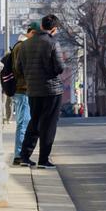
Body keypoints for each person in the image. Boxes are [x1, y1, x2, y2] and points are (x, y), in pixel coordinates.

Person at [17, 13, 66, 170]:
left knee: (34, 122)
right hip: (52, 90)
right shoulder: (53, 43)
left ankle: (24, 157)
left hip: (33, 90)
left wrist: (31, 76)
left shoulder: (25, 45)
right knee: (48, 125)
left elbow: (19, 68)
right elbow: (60, 67)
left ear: (42, 26)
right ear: (54, 29)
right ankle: (43, 160)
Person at [5, 22, 37, 165]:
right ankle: (19, 155)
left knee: (24, 122)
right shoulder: (22, 46)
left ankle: (20, 154)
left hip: (23, 90)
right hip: (22, 89)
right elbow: (19, 69)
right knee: (23, 123)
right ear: (32, 33)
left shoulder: (21, 45)